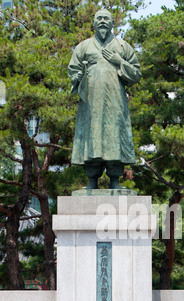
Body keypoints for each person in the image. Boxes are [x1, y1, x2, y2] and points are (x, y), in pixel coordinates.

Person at [68, 9, 142, 190]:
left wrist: (119, 61)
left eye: (106, 19)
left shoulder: (123, 47)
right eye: (99, 18)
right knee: (91, 138)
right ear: (93, 23)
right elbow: (73, 70)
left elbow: (136, 74)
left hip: (115, 103)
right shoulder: (83, 47)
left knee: (115, 137)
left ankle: (115, 180)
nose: (102, 21)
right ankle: (91, 181)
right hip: (91, 104)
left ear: (112, 23)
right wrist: (78, 76)